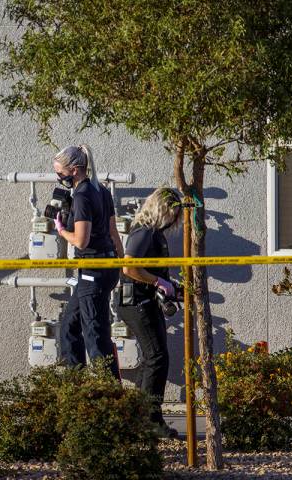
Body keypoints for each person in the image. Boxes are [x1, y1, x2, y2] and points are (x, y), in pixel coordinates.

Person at [53, 144, 124, 378]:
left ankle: (111, 396)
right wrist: (119, 264)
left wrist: (62, 230)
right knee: (69, 328)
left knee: (95, 336)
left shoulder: (83, 194)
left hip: (92, 270)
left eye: (60, 173)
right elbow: (113, 232)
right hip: (105, 267)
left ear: (74, 170)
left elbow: (81, 241)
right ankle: (76, 389)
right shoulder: (101, 190)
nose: (58, 178)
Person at [118, 187, 181, 438]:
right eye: (173, 213)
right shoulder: (143, 232)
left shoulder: (155, 234)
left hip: (145, 301)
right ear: (162, 210)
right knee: (157, 357)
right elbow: (129, 267)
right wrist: (157, 282)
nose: (175, 220)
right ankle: (151, 420)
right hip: (136, 303)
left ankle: (142, 417)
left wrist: (170, 286)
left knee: (151, 357)